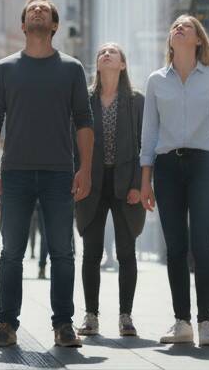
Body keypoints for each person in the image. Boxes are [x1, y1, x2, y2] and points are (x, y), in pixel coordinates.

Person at [0, 0, 94, 349]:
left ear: (54, 25)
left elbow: (84, 122)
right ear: (23, 24)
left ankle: (63, 324)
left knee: (62, 251)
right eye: (32, 8)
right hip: (14, 173)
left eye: (44, 9)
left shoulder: (72, 69)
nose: (37, 10)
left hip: (60, 172)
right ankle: (6, 324)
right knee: (11, 251)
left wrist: (85, 169)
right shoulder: (5, 69)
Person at [140, 15, 209, 347]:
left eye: (187, 26)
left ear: (198, 40)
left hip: (204, 165)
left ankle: (206, 322)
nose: (178, 28)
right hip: (166, 167)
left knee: (203, 245)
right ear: (170, 40)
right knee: (175, 248)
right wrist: (145, 180)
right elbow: (148, 133)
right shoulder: (155, 80)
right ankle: (182, 322)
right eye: (175, 26)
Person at [75, 43, 145, 339]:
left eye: (112, 52)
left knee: (127, 252)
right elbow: (72, 141)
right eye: (101, 52)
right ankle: (91, 316)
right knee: (91, 252)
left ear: (122, 64)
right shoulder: (84, 100)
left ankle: (125, 316)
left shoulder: (136, 101)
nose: (105, 54)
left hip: (126, 182)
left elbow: (146, 145)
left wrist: (140, 185)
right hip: (92, 183)